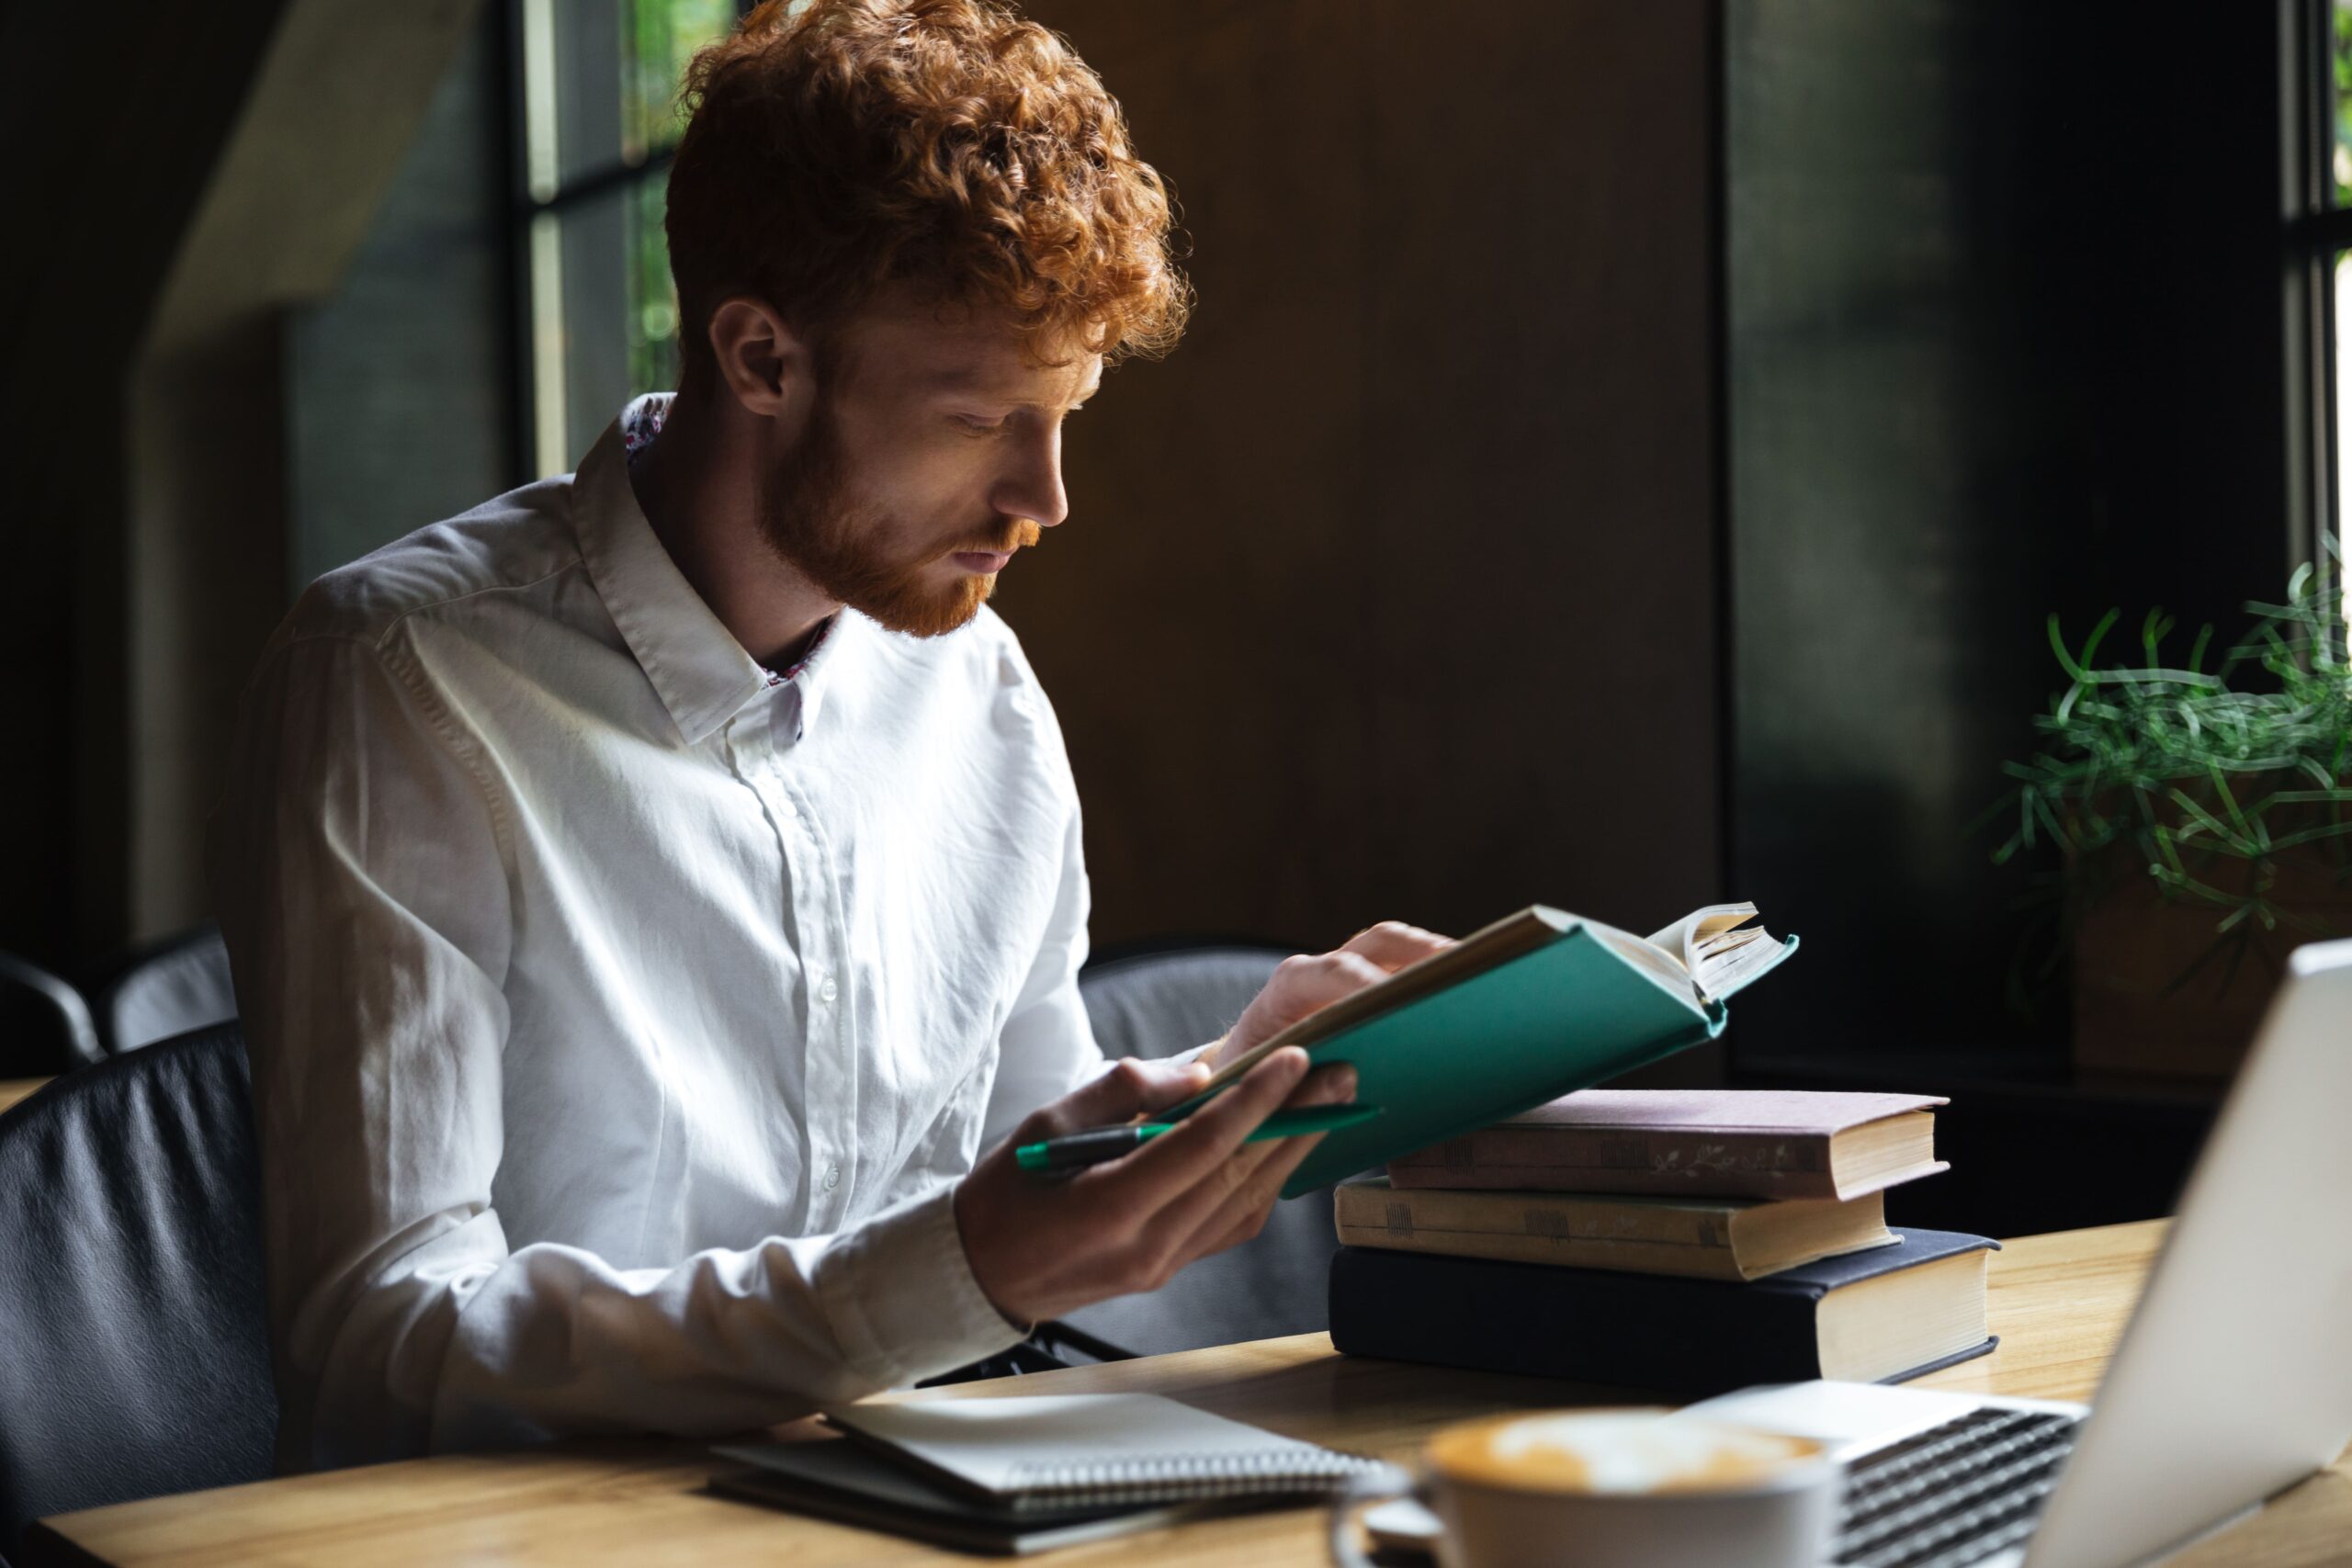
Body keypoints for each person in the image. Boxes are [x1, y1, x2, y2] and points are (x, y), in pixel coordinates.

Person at [211, 0, 1451, 1472]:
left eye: (1068, 415)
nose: (1046, 498)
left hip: (920, 1508)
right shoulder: (399, 678)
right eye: (980, 418)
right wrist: (944, 1276)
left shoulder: (978, 692)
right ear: (759, 358)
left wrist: (1237, 1085)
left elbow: (1016, 1179)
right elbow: (386, 1351)